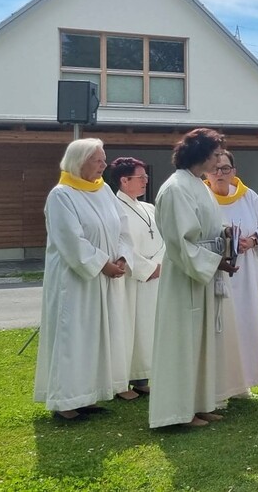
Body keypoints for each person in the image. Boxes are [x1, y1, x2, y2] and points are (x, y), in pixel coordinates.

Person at [34, 138, 134, 421]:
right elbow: (70, 239)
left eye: (104, 159)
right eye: (97, 160)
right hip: (76, 280)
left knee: (97, 337)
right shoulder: (62, 195)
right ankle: (66, 401)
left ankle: (88, 395)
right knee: (74, 336)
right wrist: (102, 264)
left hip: (106, 277)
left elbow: (122, 228)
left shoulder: (104, 191)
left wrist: (122, 257)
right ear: (79, 161)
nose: (104, 165)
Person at [149, 128, 238, 429]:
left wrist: (225, 234)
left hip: (202, 273)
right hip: (185, 275)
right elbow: (180, 241)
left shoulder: (198, 185)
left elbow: (206, 226)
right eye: (215, 155)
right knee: (182, 341)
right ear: (200, 154)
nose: (219, 161)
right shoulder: (176, 188)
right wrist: (215, 261)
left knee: (200, 342)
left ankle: (199, 403)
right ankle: (177, 411)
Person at [206, 150, 258, 394]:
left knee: (243, 322)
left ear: (234, 171)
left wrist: (253, 240)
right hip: (215, 270)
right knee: (218, 324)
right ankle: (217, 384)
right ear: (206, 172)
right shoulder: (201, 197)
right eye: (215, 169)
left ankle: (242, 382)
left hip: (244, 272)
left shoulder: (248, 196)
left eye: (225, 168)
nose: (220, 173)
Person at [109, 156, 164, 396]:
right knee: (127, 328)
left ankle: (142, 379)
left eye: (146, 176)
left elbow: (164, 238)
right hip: (131, 279)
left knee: (147, 329)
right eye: (140, 177)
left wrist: (160, 264)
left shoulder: (149, 208)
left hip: (156, 275)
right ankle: (121, 382)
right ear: (124, 180)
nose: (145, 181)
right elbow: (121, 244)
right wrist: (146, 268)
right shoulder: (113, 209)